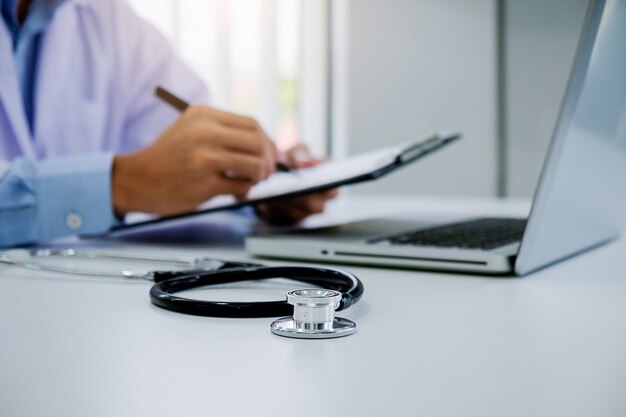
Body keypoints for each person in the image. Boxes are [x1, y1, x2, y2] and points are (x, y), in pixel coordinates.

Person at [0, 0, 337, 247]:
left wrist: (255, 182)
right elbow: (144, 178)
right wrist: (119, 185)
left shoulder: (110, 21)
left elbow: (187, 159)